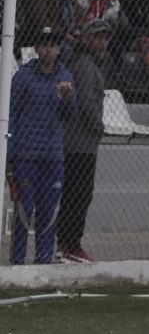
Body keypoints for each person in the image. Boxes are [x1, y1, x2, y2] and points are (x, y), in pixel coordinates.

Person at [8, 27, 76, 265]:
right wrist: (10, 154)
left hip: (53, 155)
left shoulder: (65, 77)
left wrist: (68, 98)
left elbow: (71, 116)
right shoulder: (23, 77)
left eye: (53, 45)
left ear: (58, 49)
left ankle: (44, 260)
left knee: (49, 211)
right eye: (44, 44)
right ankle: (17, 261)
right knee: (25, 211)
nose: (49, 49)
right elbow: (11, 115)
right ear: (36, 48)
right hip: (27, 154)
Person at [59, 19, 110, 263]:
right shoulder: (85, 65)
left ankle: (66, 243)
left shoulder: (83, 62)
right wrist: (98, 127)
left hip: (77, 141)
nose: (102, 42)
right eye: (97, 37)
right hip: (81, 143)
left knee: (74, 194)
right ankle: (70, 245)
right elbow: (87, 102)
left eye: (104, 38)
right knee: (79, 194)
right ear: (86, 39)